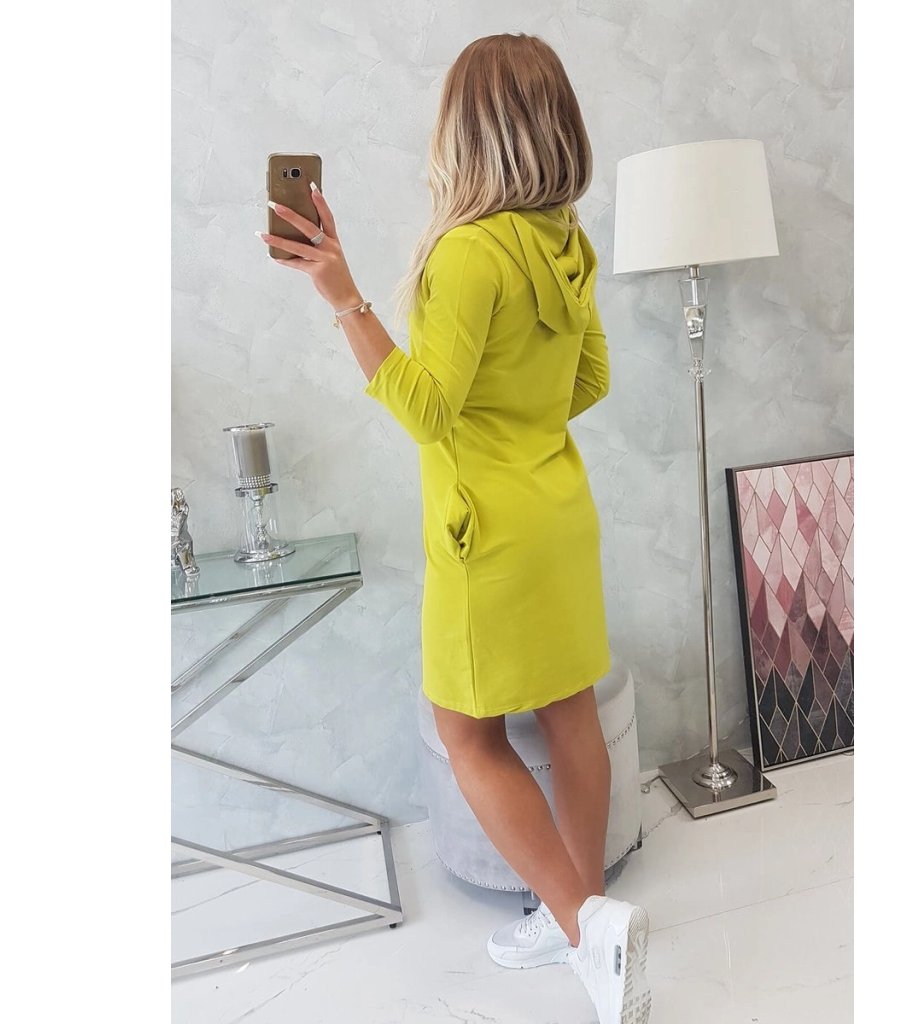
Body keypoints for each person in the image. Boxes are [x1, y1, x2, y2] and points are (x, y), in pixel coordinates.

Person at [259, 31, 652, 1024]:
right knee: (568, 712)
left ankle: (584, 928)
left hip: (488, 533)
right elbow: (590, 381)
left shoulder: (470, 252)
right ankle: (584, 918)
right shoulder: (564, 238)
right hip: (558, 511)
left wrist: (342, 296)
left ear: (465, 130)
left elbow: (428, 411)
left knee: (465, 733)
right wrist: (520, 417)